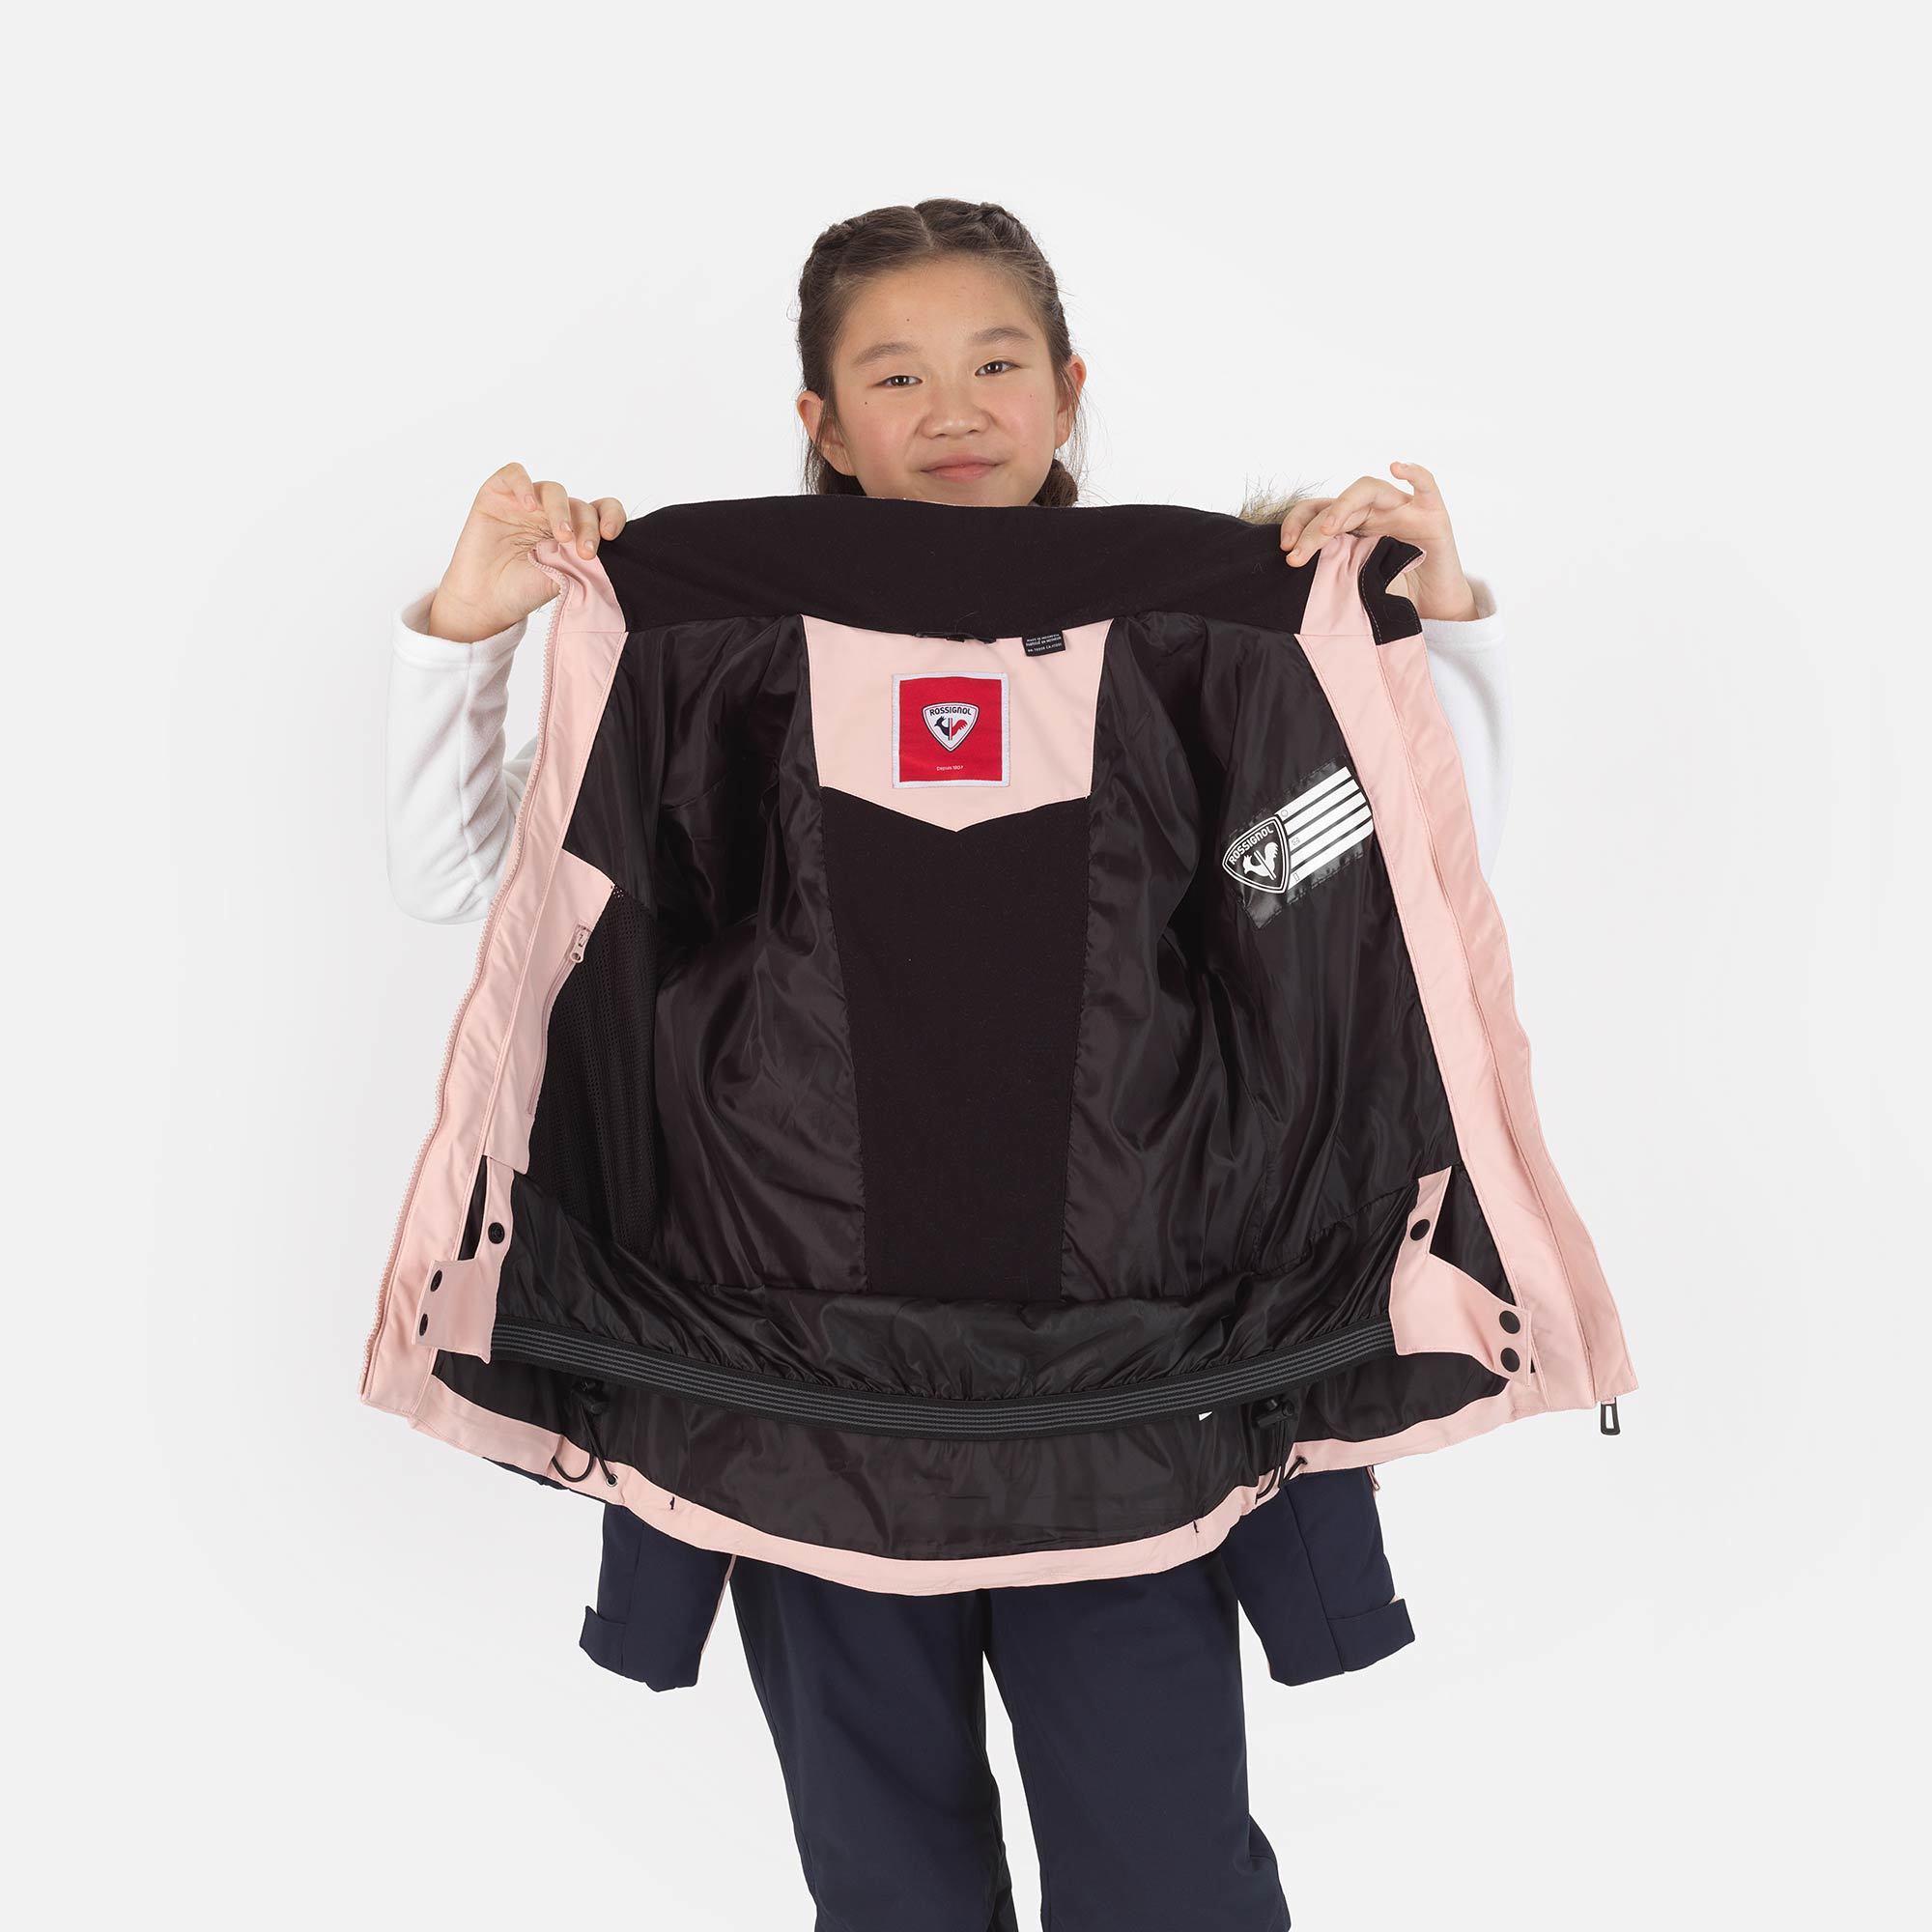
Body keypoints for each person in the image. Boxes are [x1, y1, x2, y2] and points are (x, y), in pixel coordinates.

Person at [384, 199, 1513, 1932]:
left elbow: (1398, 882)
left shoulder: (1210, 640)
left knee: (1168, 1890)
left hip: (1131, 1388)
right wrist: (468, 628)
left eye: (996, 362)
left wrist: (1422, 624)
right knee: (889, 1895)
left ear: (1067, 390)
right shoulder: (703, 651)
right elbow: (483, 878)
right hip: (798, 1392)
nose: (956, 408)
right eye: (895, 374)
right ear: (822, 422)